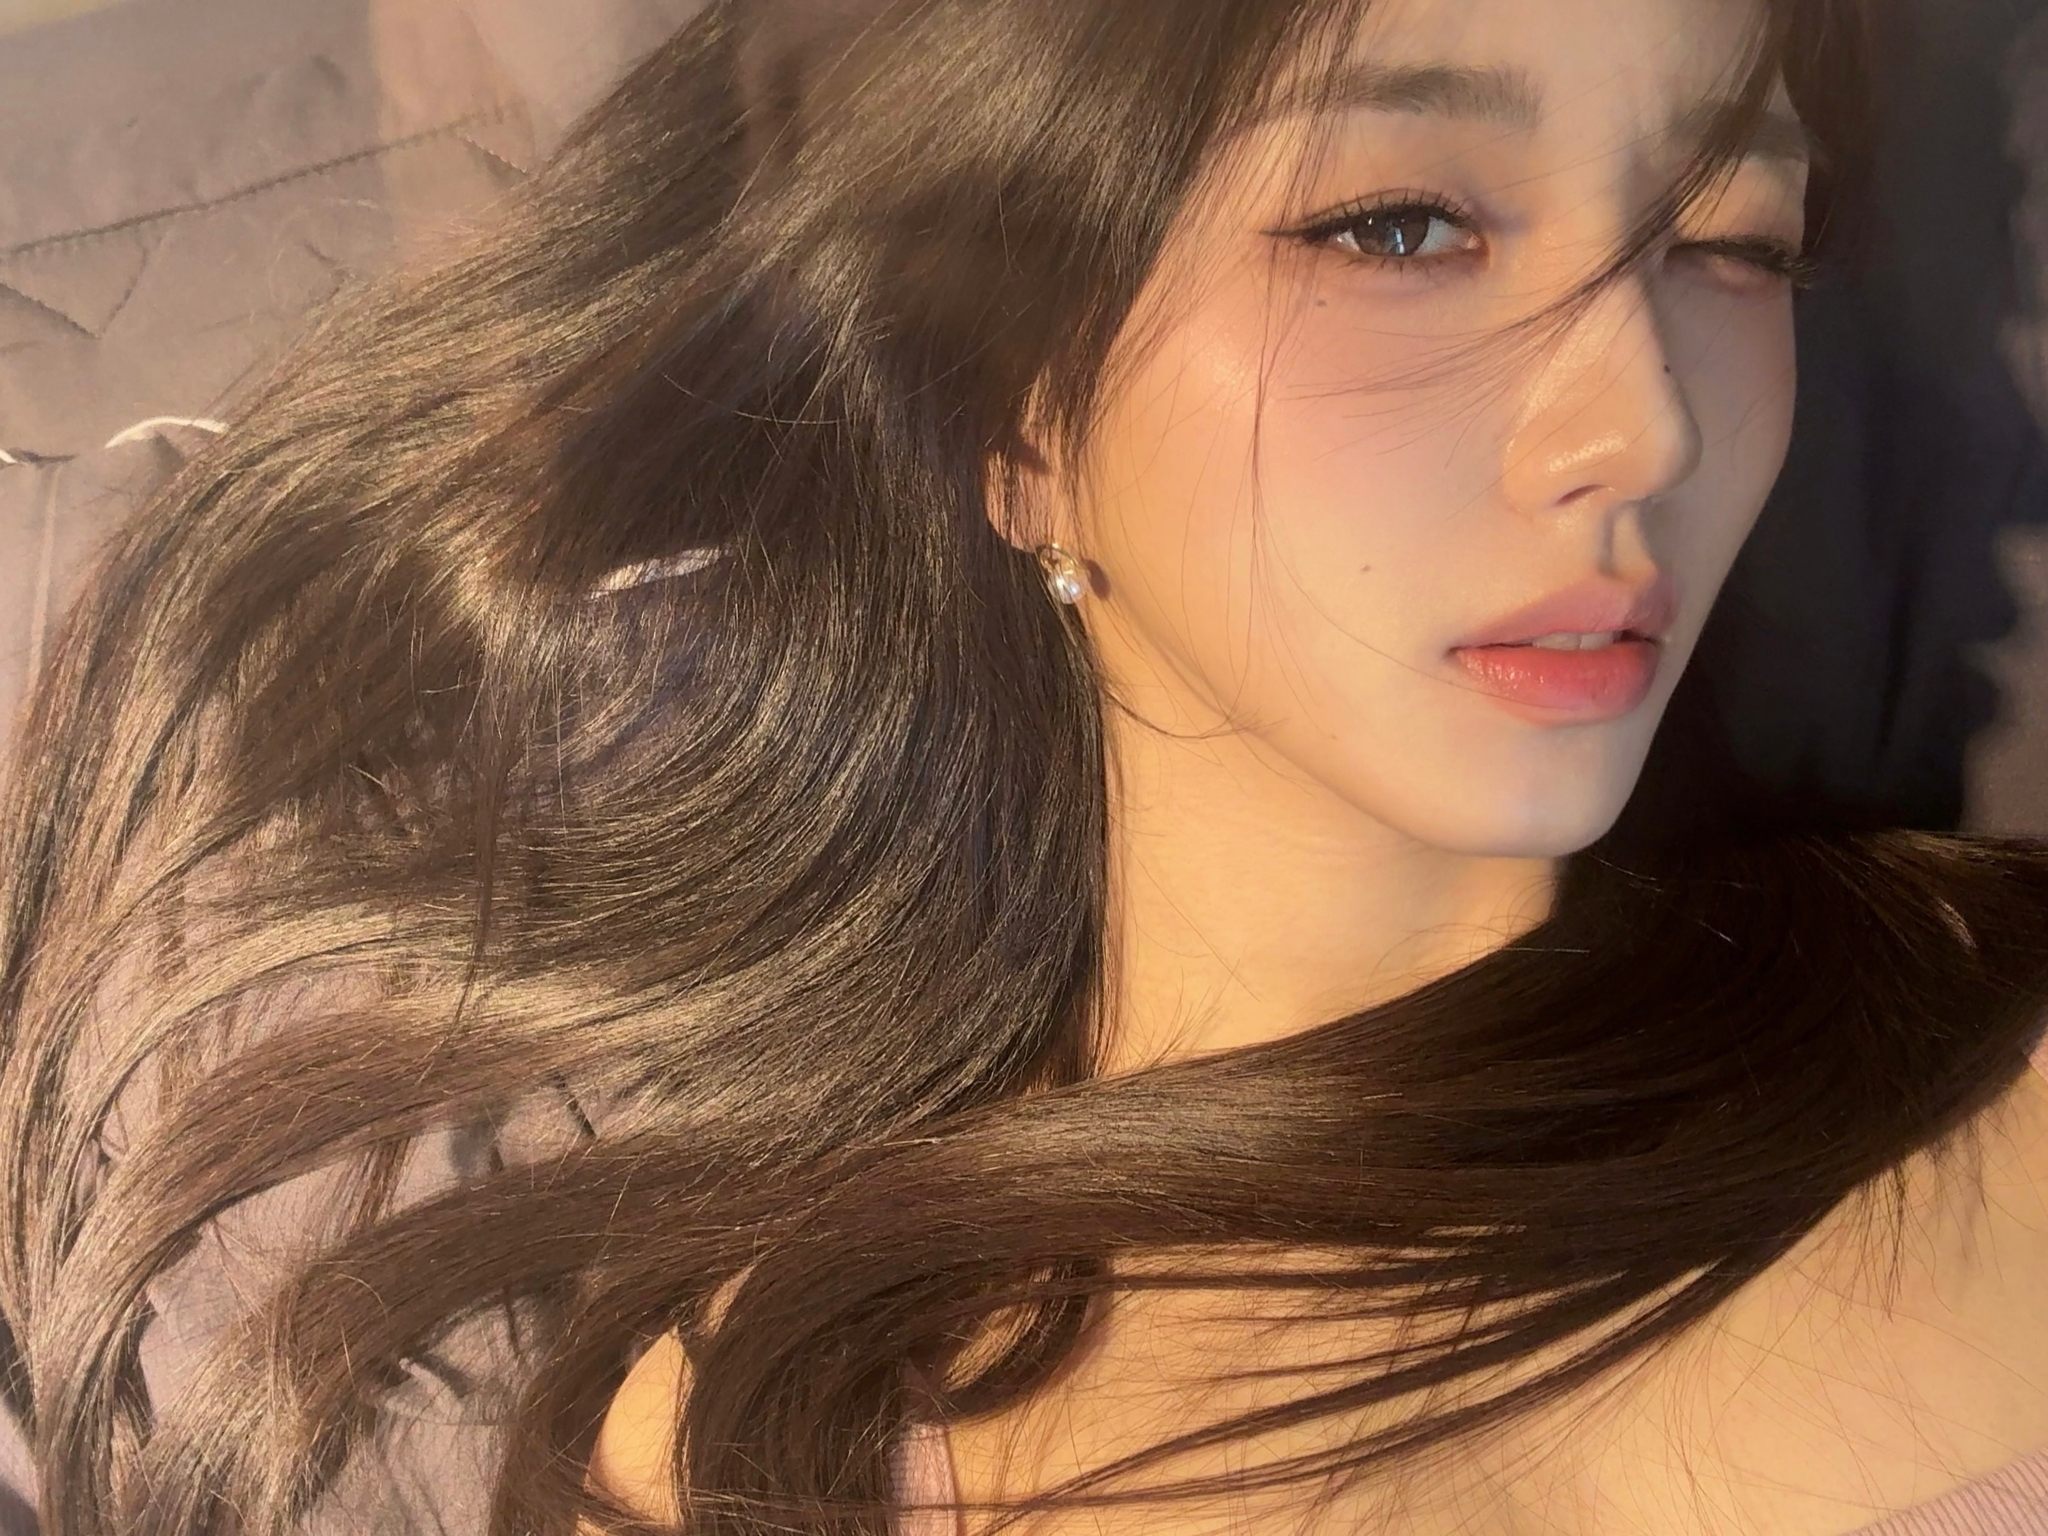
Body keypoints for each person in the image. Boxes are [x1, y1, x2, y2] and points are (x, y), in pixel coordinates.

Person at [1, 1, 2046, 1534]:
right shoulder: (727, 1424)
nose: (1646, 426)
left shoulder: (1995, 1028)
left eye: (1733, 238)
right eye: (1399, 224)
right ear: (1015, 417)